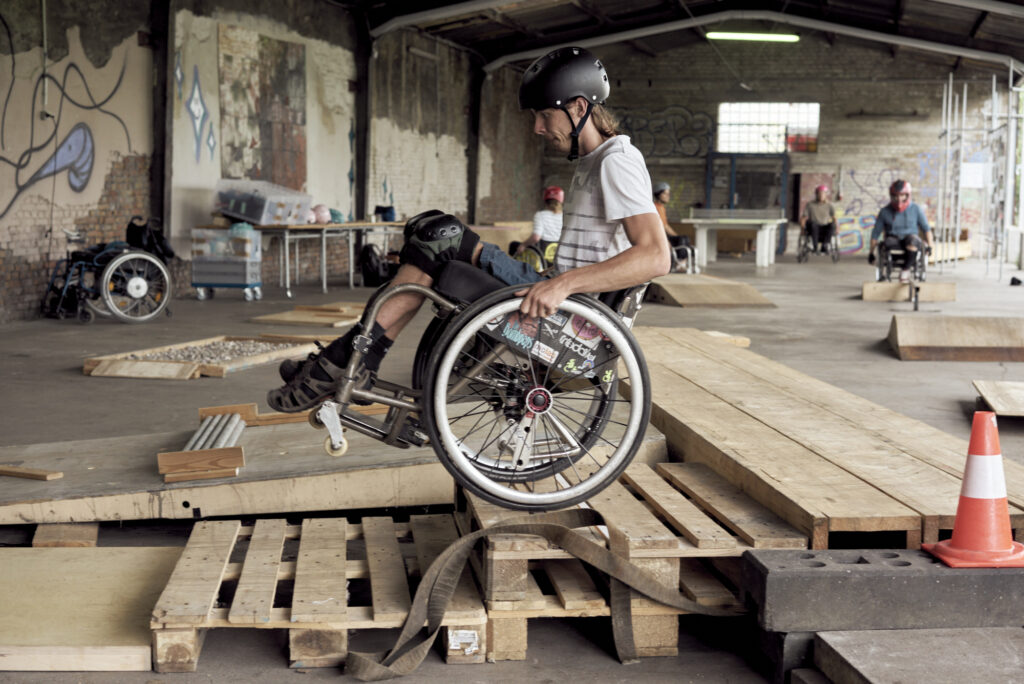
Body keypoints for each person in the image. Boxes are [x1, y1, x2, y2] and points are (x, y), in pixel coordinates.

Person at [267, 46, 671, 413]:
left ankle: (342, 362)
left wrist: (562, 286)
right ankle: (348, 360)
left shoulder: (617, 160)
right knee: (431, 231)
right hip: (557, 292)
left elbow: (656, 256)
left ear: (579, 107)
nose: (538, 128)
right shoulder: (593, 160)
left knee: (441, 236)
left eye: (545, 115)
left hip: (572, 316)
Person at [868, 179, 934, 283]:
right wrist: (871, 252)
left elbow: (926, 229)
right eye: (896, 196)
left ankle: (905, 270)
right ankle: (889, 271)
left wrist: (930, 246)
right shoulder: (885, 211)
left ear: (907, 195)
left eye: (902, 195)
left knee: (914, 241)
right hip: (893, 241)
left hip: (911, 240)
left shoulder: (916, 209)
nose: (899, 199)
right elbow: (875, 234)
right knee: (887, 242)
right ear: (892, 196)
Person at [512, 185, 563, 261]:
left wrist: (523, 245)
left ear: (545, 200)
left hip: (542, 254)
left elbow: (536, 237)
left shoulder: (541, 215)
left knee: (513, 245)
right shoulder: (565, 216)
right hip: (559, 254)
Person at [653, 180, 690, 272]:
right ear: (658, 194)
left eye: (668, 194)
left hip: (663, 234)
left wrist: (676, 236)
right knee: (682, 239)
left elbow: (666, 225)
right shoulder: (656, 207)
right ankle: (680, 264)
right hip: (658, 236)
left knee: (684, 239)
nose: (668, 196)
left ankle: (681, 263)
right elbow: (661, 227)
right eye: (665, 194)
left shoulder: (661, 207)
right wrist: (667, 239)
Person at [800, 184, 836, 254]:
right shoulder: (810, 204)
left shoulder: (829, 205)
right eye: (819, 193)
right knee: (813, 224)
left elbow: (834, 218)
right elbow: (803, 218)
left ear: (826, 195)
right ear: (816, 194)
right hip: (813, 226)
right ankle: (815, 246)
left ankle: (824, 246)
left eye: (823, 194)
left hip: (824, 227)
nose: (821, 195)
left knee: (832, 225)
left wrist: (837, 228)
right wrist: (802, 229)